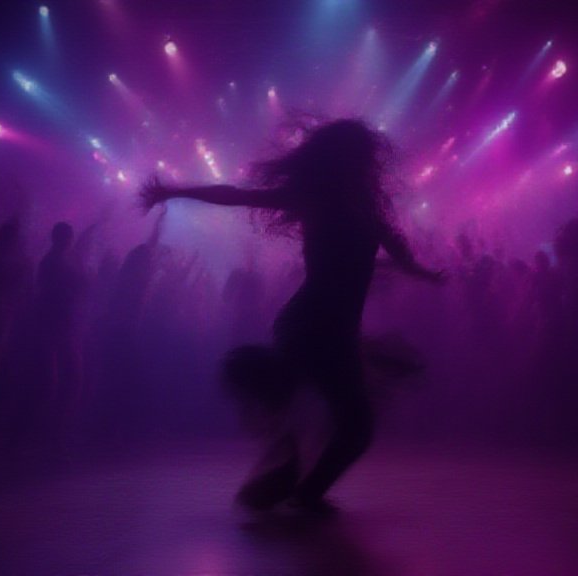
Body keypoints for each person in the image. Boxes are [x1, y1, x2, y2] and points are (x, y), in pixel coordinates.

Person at [140, 119, 442, 514]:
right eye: (362, 154)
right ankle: (297, 481)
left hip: (331, 327)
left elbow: (393, 244)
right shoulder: (316, 198)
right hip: (312, 324)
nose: (368, 161)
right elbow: (237, 196)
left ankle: (295, 478)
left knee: (351, 425)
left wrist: (417, 270)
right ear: (346, 158)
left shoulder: (363, 204)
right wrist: (175, 191)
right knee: (351, 424)